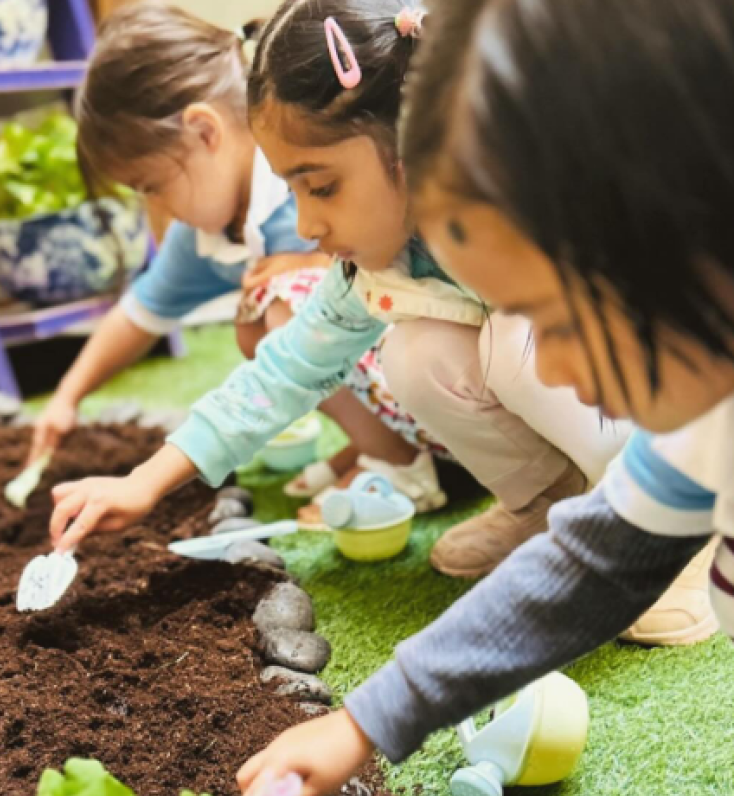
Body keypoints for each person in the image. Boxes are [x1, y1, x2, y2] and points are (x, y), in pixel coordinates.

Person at [234, 0, 734, 796]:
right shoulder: (698, 423)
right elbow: (590, 564)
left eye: (552, 315)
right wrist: (363, 724)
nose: (547, 365)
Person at [46, 0, 712, 646]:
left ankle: (668, 526)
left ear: (410, 145)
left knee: (517, 340)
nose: (306, 224)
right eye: (293, 188)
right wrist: (143, 481)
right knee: (413, 357)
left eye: (322, 186)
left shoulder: (525, 197)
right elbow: (283, 372)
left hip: (685, 417)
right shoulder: (373, 267)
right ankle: (549, 505)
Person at [27, 3, 440, 511]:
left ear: (205, 132)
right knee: (264, 320)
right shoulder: (206, 232)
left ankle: (399, 459)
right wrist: (67, 397)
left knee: (277, 303)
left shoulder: (311, 171)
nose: (158, 209)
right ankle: (381, 445)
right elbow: (141, 312)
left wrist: (312, 265)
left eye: (153, 187)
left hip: (440, 373)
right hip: (387, 369)